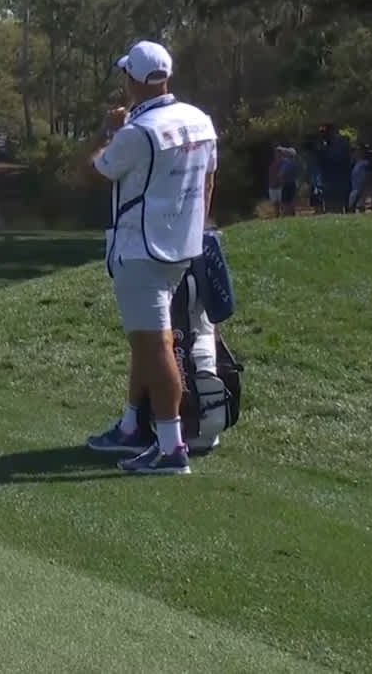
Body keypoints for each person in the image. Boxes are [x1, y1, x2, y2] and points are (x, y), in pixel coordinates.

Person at [85, 41, 219, 475]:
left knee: (156, 345)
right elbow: (208, 181)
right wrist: (194, 231)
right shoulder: (199, 120)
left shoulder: (136, 132)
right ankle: (131, 426)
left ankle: (170, 447)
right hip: (180, 246)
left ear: (133, 80)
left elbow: (94, 170)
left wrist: (107, 132)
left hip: (140, 248)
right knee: (146, 339)